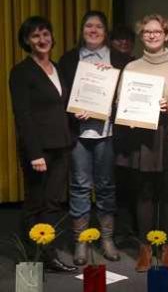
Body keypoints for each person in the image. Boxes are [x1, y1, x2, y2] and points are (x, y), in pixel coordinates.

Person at [59, 10, 133, 265]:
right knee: (79, 186)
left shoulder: (121, 59)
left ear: (105, 31)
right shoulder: (69, 59)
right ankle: (81, 241)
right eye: (89, 26)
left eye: (98, 26)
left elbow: (131, 92)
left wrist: (114, 75)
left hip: (107, 132)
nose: (93, 30)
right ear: (82, 30)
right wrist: (73, 106)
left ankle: (107, 239)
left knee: (105, 186)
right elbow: (61, 95)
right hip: (79, 132)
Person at [116, 14, 168, 272]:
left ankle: (167, 250)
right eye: (147, 31)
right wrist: (128, 113)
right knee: (144, 194)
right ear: (142, 35)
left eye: (157, 31)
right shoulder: (132, 68)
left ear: (167, 35)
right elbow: (120, 103)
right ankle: (145, 250)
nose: (152, 35)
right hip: (142, 137)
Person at [9, 16, 78, 273]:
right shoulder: (21, 72)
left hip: (62, 146)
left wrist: (79, 112)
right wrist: (34, 153)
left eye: (45, 34)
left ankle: (48, 254)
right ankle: (29, 258)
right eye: (35, 36)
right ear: (27, 41)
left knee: (52, 204)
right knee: (34, 204)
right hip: (38, 151)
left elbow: (64, 105)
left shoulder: (58, 68)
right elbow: (22, 115)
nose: (42, 40)